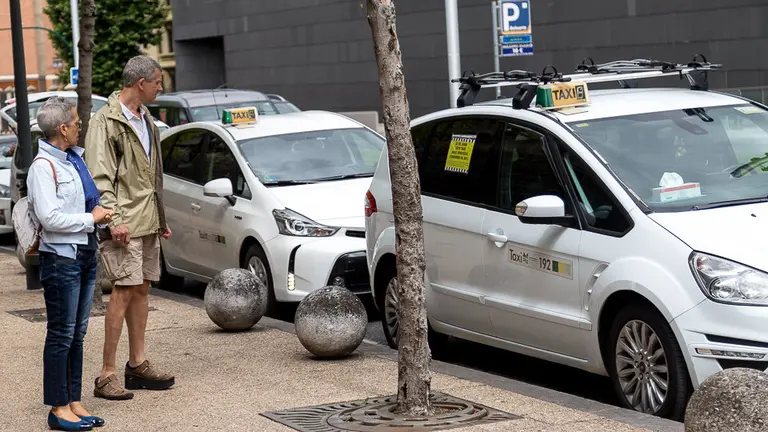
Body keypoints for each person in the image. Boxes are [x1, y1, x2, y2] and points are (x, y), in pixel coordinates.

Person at [84, 55, 174, 401]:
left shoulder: (145, 117)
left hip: (146, 220)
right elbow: (100, 175)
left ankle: (137, 365)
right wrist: (114, 220)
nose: (160, 88)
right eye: (157, 82)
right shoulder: (105, 121)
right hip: (123, 222)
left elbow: (153, 175)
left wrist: (160, 219)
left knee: (141, 289)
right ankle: (106, 374)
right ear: (140, 84)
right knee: (122, 291)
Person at [28, 97, 113, 430]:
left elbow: (85, 206)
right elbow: (50, 218)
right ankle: (57, 407)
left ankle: (74, 401)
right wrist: (91, 219)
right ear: (62, 128)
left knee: (77, 334)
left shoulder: (73, 161)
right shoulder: (42, 167)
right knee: (61, 334)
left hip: (84, 253)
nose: (80, 126)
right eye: (76, 122)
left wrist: (100, 218)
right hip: (61, 258)